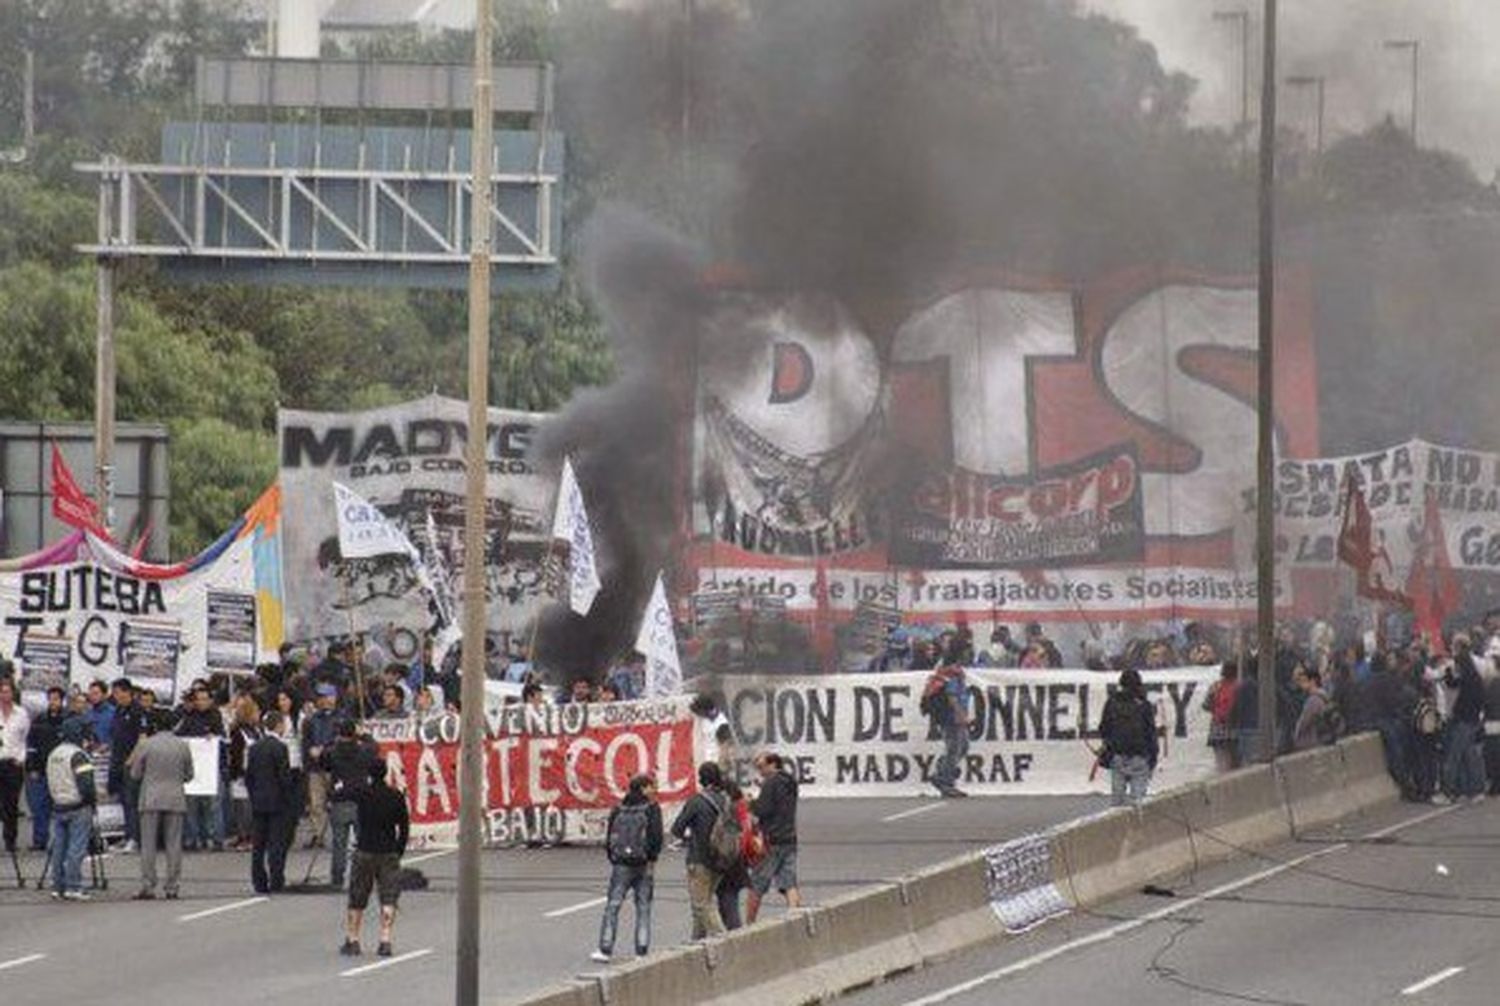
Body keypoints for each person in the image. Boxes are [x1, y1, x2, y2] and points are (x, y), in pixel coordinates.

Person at [592, 774, 665, 963]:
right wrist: (652, 858)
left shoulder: (618, 808)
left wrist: (615, 857)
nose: (654, 790)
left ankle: (605, 949)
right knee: (643, 908)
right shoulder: (652, 808)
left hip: (621, 864)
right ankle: (641, 951)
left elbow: (610, 837)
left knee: (613, 905)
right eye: (651, 786)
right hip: (644, 864)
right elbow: (657, 837)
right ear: (643, 788)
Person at [342, 760, 410, 958]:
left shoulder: (363, 794)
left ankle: (353, 939)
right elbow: (404, 826)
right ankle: (385, 939)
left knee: (358, 894)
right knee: (388, 896)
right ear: (386, 773)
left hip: (365, 849)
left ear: (369, 774)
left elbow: (342, 794)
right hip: (388, 850)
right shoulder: (395, 796)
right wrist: (399, 849)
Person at [128, 714, 193, 900]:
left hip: (151, 797)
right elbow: (189, 775)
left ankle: (148, 885)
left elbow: (135, 773)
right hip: (175, 796)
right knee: (174, 844)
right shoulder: (182, 745)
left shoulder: (146, 744)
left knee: (148, 844)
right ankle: (172, 886)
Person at [670, 762, 729, 940]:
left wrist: (689, 838)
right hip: (722, 858)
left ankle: (723, 939)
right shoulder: (726, 800)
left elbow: (677, 829)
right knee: (703, 902)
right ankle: (697, 941)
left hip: (699, 859)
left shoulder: (697, 801)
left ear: (702, 778)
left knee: (702, 904)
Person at [323, 719, 379, 888]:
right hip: (361, 801)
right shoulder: (364, 750)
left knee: (339, 843)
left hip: (340, 799)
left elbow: (323, 765)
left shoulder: (331, 752)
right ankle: (364, 876)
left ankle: (337, 877)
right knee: (364, 843)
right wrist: (365, 735)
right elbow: (375, 747)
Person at [45, 717, 96, 900]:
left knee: (58, 848)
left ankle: (57, 886)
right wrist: (92, 801)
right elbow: (86, 784)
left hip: (58, 805)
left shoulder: (54, 754)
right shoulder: (78, 755)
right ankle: (73, 886)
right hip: (78, 806)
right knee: (76, 848)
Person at [746, 751, 800, 923]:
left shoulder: (771, 783)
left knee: (757, 885)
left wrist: (750, 803)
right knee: (789, 882)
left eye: (762, 767)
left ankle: (749, 924)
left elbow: (763, 810)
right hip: (789, 837)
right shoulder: (790, 781)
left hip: (772, 840)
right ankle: (795, 916)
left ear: (772, 765)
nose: (760, 771)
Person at [246, 711, 295, 894]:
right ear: (279, 725)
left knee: (258, 844)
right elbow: (284, 776)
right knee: (276, 843)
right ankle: (276, 880)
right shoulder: (280, 748)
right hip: (277, 802)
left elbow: (249, 776)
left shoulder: (255, 747)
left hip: (259, 801)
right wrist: (289, 797)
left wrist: (254, 796)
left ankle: (259, 881)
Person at [176, 686, 226, 851]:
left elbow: (222, 738)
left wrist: (213, 737)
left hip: (210, 766)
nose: (201, 702)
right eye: (199, 699)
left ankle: (215, 838)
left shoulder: (216, 716)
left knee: (213, 803)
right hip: (193, 766)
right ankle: (193, 837)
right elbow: (180, 735)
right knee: (191, 803)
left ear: (210, 701)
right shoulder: (189, 717)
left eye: (205, 699)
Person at [1099, 668, 1158, 806]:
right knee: (1138, 802)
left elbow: (1104, 728)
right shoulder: (1144, 705)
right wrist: (1153, 759)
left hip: (1118, 755)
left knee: (1117, 803)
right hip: (1140, 756)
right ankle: (1138, 826)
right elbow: (1150, 733)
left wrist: (1108, 747)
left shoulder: (1111, 703)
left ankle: (1118, 827)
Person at [1441, 637, 1488, 802]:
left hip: (1464, 719)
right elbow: (1455, 683)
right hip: (1473, 718)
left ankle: (1448, 792)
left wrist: (1455, 712)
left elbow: (1459, 689)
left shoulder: (1462, 665)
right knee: (1470, 755)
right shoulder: (1473, 671)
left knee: (1454, 756)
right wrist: (1448, 674)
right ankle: (1477, 790)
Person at [922, 644, 971, 798]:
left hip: (953, 714)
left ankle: (941, 773)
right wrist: (960, 713)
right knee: (954, 748)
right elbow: (952, 696)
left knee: (962, 746)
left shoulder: (954, 672)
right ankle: (945, 781)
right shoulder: (951, 673)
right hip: (950, 716)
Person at [24, 686, 68, 850]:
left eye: (56, 698)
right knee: (39, 807)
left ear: (62, 700)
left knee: (61, 807)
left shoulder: (67, 720)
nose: (53, 702)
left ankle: (60, 841)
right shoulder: (39, 720)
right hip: (41, 770)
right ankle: (39, 841)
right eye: (50, 698)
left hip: (60, 771)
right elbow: (31, 746)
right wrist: (32, 768)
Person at [106, 678, 147, 852]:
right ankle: (127, 835)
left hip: (132, 763)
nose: (115, 696)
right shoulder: (118, 710)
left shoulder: (138, 711)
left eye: (117, 692)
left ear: (126, 691)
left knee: (132, 801)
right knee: (122, 800)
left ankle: (135, 838)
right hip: (116, 760)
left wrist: (131, 759)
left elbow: (142, 738)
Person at [301, 683, 342, 848]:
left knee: (337, 802)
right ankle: (319, 835)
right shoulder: (311, 720)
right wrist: (310, 750)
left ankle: (339, 834)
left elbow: (341, 741)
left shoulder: (341, 718)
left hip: (334, 766)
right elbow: (305, 741)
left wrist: (324, 750)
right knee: (316, 803)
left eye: (327, 696)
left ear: (334, 697)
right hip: (315, 767)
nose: (324, 700)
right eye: (321, 697)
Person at [715, 781, 755, 930]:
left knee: (727, 902)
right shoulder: (745, 808)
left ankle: (734, 934)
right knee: (731, 899)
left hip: (730, 859)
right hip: (742, 860)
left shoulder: (731, 810)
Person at [0, 676, 30, 855]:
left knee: (11, 804)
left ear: (13, 693)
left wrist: (22, 758)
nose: (4, 694)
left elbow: (25, 738)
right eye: (1, 691)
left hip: (13, 764)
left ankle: (10, 840)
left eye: (7, 691)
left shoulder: (21, 714)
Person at [1204, 660, 1241, 772]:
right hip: (1234, 728)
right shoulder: (1239, 686)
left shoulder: (1216, 686)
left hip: (1217, 728)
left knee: (1221, 763)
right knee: (1235, 764)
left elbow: (1206, 706)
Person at [1291, 665, 1331, 751]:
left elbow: (1304, 722)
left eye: (1304, 681)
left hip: (1312, 743)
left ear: (1312, 681)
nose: (1301, 684)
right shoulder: (1323, 696)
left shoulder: (1313, 701)